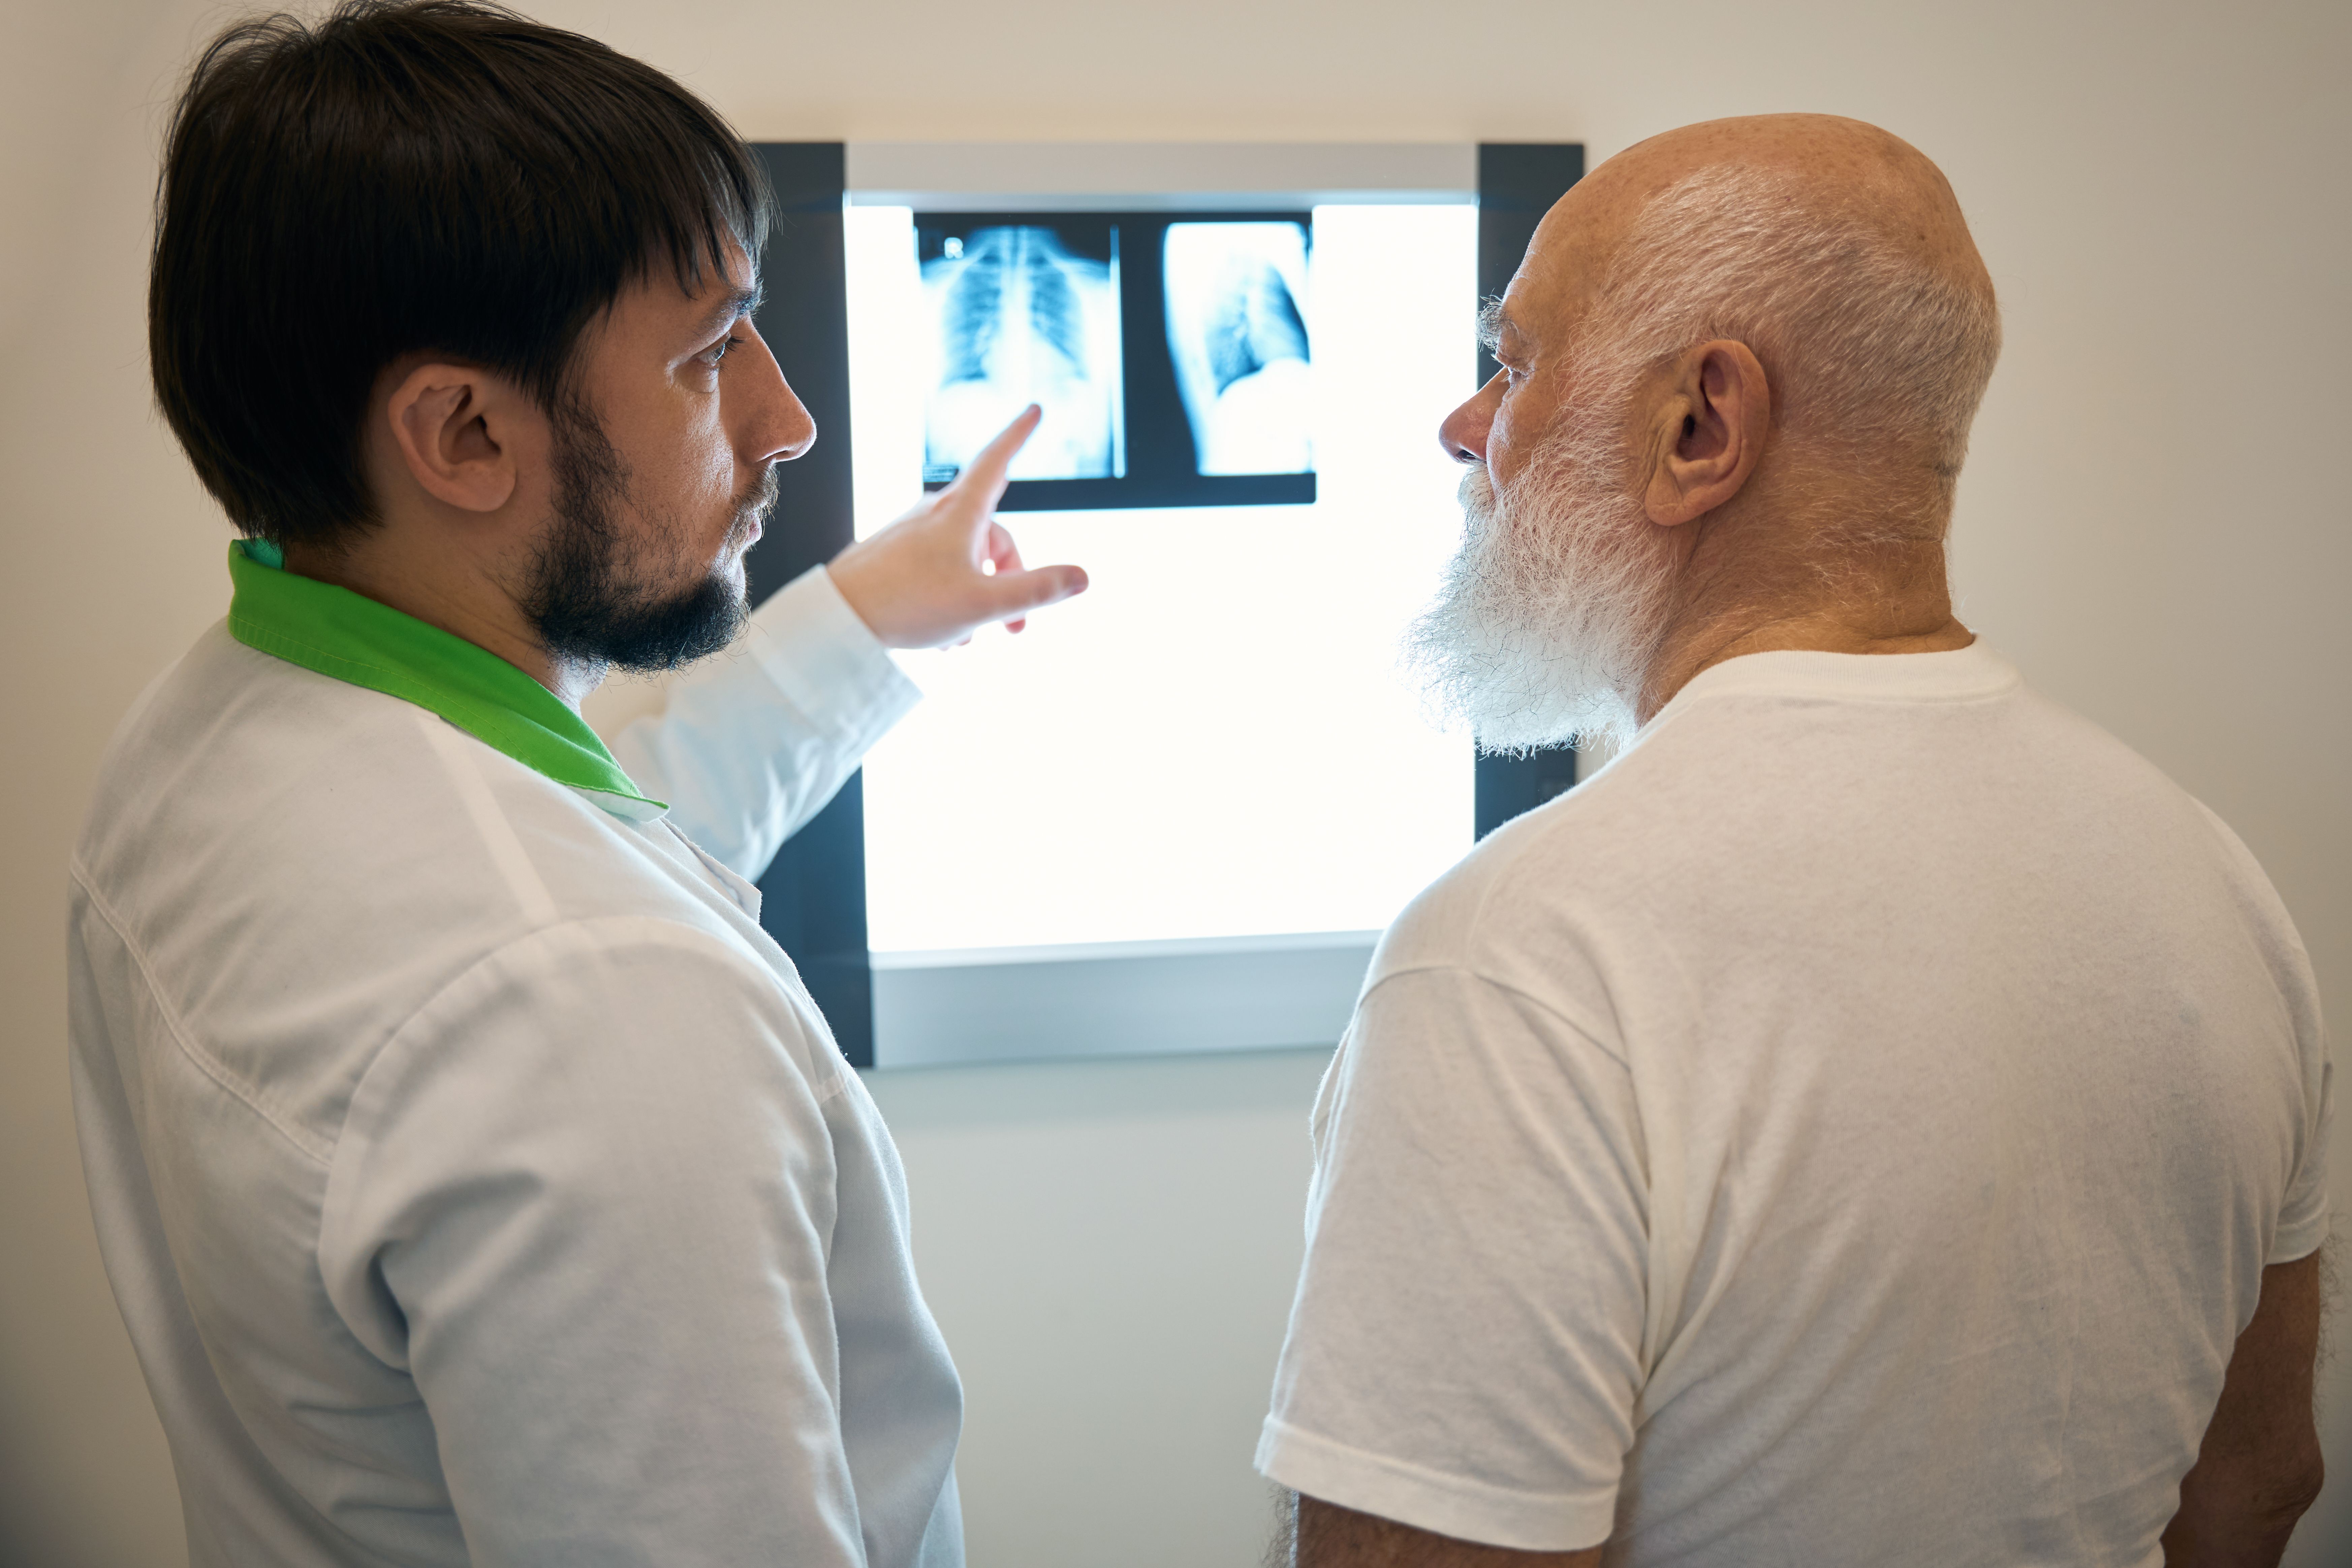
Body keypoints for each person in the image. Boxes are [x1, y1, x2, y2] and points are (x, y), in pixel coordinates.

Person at [68, 3, 1084, 1564]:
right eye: (707, 355)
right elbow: (575, 955)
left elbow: (581, 837)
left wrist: (863, 624)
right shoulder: (584, 1009)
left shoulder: (213, 732)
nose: (785, 419)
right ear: (463, 430)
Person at [1256, 114, 2331, 1566]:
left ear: (1702, 427)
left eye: (1511, 363)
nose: (1467, 427)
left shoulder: (1524, 960)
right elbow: (2258, 1487)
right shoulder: (2215, 884)